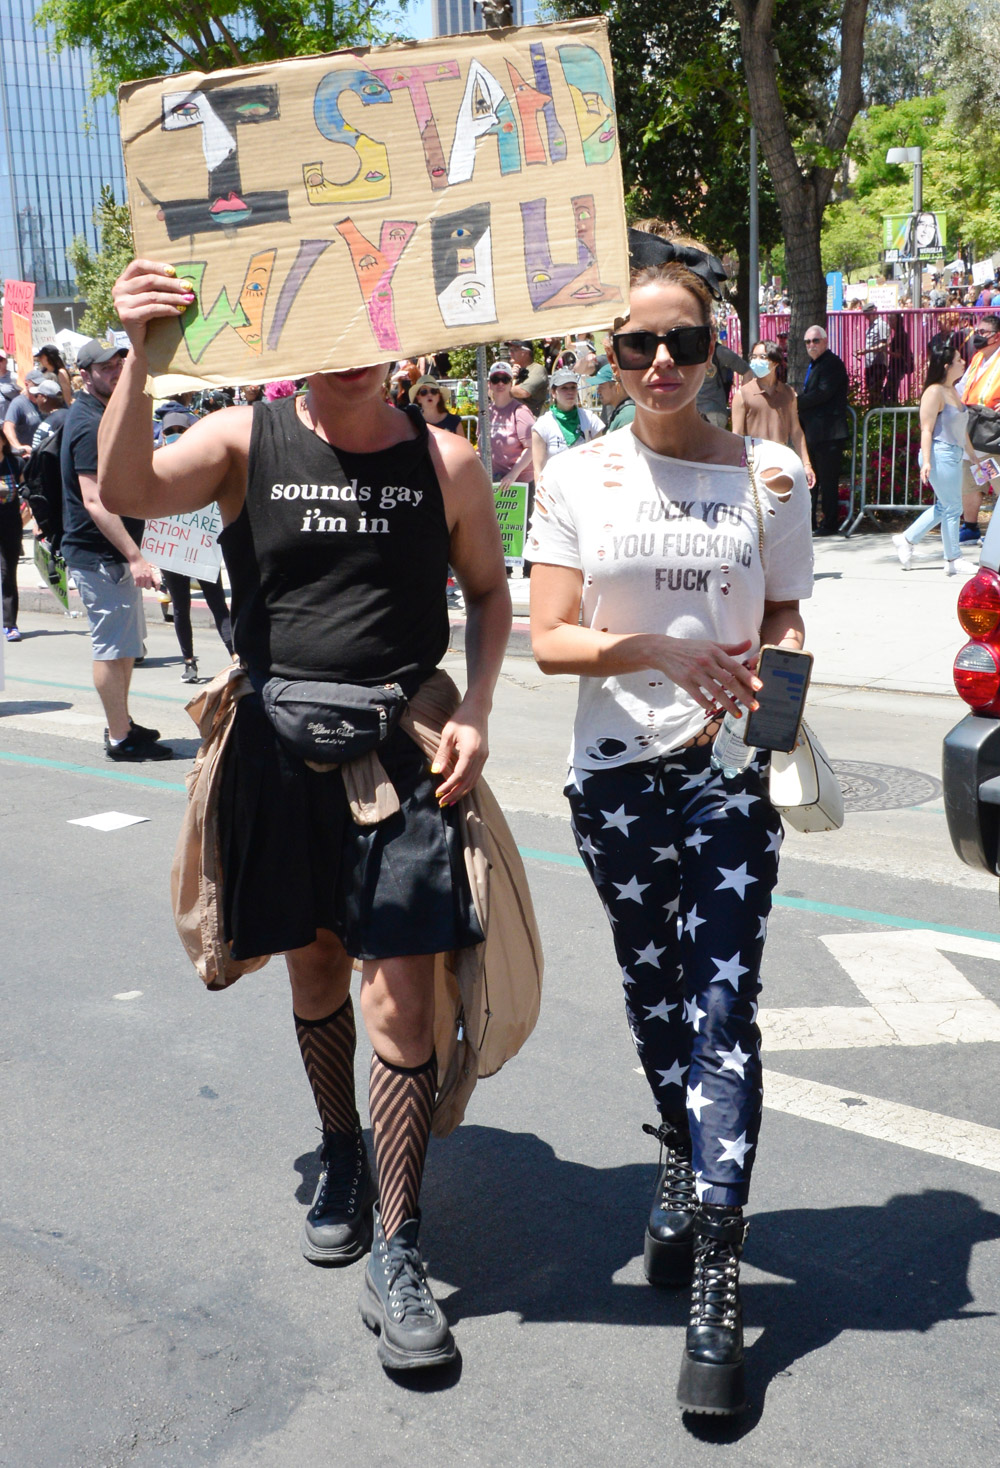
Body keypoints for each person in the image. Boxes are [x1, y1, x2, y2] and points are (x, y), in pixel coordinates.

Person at [101, 256, 518, 1373]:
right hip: (276, 756)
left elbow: (487, 590)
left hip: (404, 757)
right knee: (317, 973)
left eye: (372, 318)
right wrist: (141, 355)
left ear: (402, 335)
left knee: (405, 1006)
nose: (351, 342)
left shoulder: (449, 460)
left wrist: (476, 704)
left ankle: (400, 1243)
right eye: (328, 318)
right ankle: (340, 1145)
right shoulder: (244, 439)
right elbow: (129, 489)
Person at [527, 226, 813, 1417]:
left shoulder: (768, 475)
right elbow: (549, 640)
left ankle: (713, 1271)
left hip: (727, 776)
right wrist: (645, 646)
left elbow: (789, 616)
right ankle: (676, 1157)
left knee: (721, 1005)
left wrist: (778, 708)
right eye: (637, 343)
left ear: (711, 349)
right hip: (615, 777)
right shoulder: (572, 476)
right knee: (656, 1003)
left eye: (681, 342)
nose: (659, 362)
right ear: (609, 353)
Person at [60, 336, 172, 762]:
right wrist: (134, 556)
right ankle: (120, 738)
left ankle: (120, 722)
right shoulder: (89, 423)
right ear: (85, 375)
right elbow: (94, 501)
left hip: (108, 553)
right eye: (106, 367)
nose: (117, 370)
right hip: (100, 554)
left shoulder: (104, 412)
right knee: (112, 648)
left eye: (120, 363)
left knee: (126, 647)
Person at [892, 342, 986, 577]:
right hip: (939, 452)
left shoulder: (953, 391)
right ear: (946, 366)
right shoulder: (934, 392)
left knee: (946, 506)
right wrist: (926, 461)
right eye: (958, 360)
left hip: (953, 453)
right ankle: (953, 558)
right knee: (953, 507)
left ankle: (907, 539)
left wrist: (974, 457)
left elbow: (961, 429)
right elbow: (926, 429)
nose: (963, 362)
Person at [154, 413, 235, 681]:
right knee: (180, 606)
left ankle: (236, 657)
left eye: (181, 429)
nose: (175, 434)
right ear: (163, 435)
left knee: (217, 604)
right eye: (170, 431)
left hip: (201, 543)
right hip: (172, 545)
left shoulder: (206, 462)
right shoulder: (154, 463)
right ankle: (188, 661)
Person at [731, 341, 815, 487]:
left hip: (782, 461)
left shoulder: (788, 394)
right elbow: (736, 435)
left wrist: (806, 464)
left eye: (762, 357)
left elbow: (796, 431)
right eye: (753, 357)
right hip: (754, 463)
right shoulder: (742, 394)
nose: (756, 361)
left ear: (775, 362)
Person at [797, 325, 850, 535]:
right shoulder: (815, 364)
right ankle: (810, 523)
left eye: (815, 341)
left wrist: (796, 402)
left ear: (825, 341)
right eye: (808, 342)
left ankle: (829, 524)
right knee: (812, 480)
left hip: (829, 433)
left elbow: (823, 394)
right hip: (815, 432)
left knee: (828, 481)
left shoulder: (831, 364)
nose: (811, 345)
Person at [957, 314, 1000, 543]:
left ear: (997, 336)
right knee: (973, 483)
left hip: (992, 433)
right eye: (977, 331)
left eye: (983, 332)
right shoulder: (977, 358)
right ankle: (971, 527)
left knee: (997, 480)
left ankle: (996, 534)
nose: (978, 336)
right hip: (973, 433)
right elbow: (963, 386)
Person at [530, 369, 603, 484]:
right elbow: (538, 469)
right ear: (553, 392)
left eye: (573, 387)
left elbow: (601, 457)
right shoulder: (542, 425)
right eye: (564, 388)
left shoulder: (591, 419)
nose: (570, 392)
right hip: (556, 489)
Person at [488, 360, 534, 488]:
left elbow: (531, 448)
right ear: (490, 384)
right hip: (495, 482)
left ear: (511, 383)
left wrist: (513, 474)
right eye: (496, 379)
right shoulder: (487, 412)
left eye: (505, 379)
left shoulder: (520, 412)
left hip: (520, 484)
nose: (500, 383)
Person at [696, 343, 750, 429]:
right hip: (694, 414)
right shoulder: (689, 351)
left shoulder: (719, 351)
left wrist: (742, 401)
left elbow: (747, 371)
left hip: (714, 414)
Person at [856, 302, 890, 405]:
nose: (866, 317)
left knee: (875, 391)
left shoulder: (881, 325)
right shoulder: (871, 325)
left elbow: (884, 344)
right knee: (871, 390)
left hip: (878, 364)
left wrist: (867, 351)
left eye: (868, 314)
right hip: (870, 363)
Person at [506, 340, 549, 417]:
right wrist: (508, 378)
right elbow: (491, 393)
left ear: (526, 352)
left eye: (515, 350)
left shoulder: (537, 369)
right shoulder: (510, 372)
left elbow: (524, 392)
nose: (510, 353)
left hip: (530, 420)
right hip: (510, 419)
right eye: (510, 350)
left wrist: (501, 389)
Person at [883, 313, 914, 406]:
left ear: (897, 321)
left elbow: (898, 354)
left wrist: (885, 351)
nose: (889, 322)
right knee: (892, 392)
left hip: (897, 367)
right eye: (889, 320)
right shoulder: (899, 334)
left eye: (891, 320)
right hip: (896, 367)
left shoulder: (900, 335)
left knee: (888, 392)